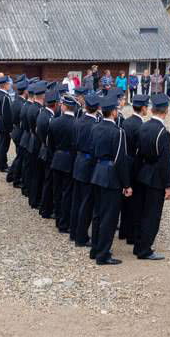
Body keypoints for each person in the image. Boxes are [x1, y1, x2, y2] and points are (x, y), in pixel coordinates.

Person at [89, 95, 132, 265]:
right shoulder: (118, 132)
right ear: (114, 112)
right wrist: (126, 184)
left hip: (97, 172)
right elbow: (120, 160)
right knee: (109, 217)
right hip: (110, 176)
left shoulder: (95, 127)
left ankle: (95, 248)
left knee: (98, 214)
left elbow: (92, 151)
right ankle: (103, 254)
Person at [133, 93, 170, 260]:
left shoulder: (143, 126)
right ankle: (144, 249)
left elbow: (137, 152)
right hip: (156, 177)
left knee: (141, 211)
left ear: (151, 110)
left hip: (143, 172)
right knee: (152, 215)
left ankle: (138, 245)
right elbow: (165, 161)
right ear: (166, 111)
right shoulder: (163, 132)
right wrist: (168, 185)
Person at [71, 93, 101, 247]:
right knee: (86, 202)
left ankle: (74, 231)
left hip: (78, 161)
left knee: (77, 200)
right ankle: (81, 237)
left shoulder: (78, 120)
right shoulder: (95, 125)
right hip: (88, 164)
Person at [119, 94, 148, 245]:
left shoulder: (126, 122)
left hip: (125, 161)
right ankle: (131, 234)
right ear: (143, 108)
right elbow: (141, 149)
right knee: (135, 200)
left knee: (125, 198)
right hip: (135, 163)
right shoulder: (141, 126)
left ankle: (123, 230)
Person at [49, 95, 79, 234]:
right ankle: (64, 223)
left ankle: (58, 218)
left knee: (57, 191)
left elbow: (51, 144)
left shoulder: (54, 122)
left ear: (64, 106)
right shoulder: (77, 124)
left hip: (57, 158)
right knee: (67, 193)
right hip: (70, 161)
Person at [37, 89, 60, 219]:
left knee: (47, 181)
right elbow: (49, 140)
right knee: (49, 182)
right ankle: (46, 209)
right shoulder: (50, 118)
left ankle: (44, 208)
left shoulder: (43, 113)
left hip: (44, 150)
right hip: (49, 152)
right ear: (55, 104)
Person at [8, 78, 29, 186]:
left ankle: (11, 175)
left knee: (19, 156)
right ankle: (16, 180)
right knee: (20, 157)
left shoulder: (16, 101)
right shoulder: (22, 104)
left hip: (16, 130)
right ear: (25, 91)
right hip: (20, 132)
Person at [0, 75, 13, 172]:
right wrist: (10, 128)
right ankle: (3, 165)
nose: (10, 85)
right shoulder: (4, 96)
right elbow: (7, 114)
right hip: (3, 123)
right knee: (3, 145)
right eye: (8, 84)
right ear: (5, 85)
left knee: (0, 144)